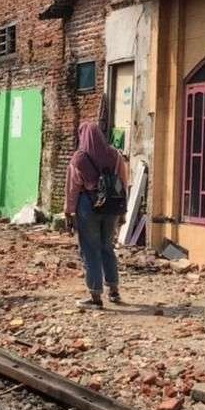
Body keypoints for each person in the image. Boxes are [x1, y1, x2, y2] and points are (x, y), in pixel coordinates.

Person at [65, 121, 129, 309]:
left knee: (90, 249)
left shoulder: (79, 158)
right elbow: (123, 184)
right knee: (107, 246)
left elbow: (73, 187)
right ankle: (114, 290)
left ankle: (95, 296)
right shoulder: (115, 156)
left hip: (88, 205)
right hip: (111, 205)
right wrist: (123, 210)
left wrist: (69, 212)